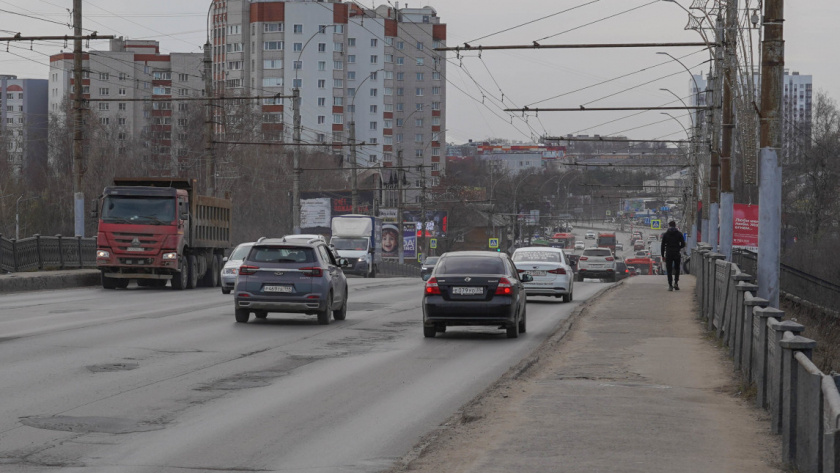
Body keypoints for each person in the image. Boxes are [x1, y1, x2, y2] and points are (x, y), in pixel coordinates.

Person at [660, 220, 686, 291]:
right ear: (675, 225)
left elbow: (662, 246)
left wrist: (662, 255)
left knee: (669, 270)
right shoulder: (679, 234)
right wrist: (678, 247)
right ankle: (676, 283)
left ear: (669, 225)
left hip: (668, 254)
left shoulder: (666, 234)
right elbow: (683, 244)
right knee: (677, 269)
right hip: (676, 253)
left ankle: (670, 285)